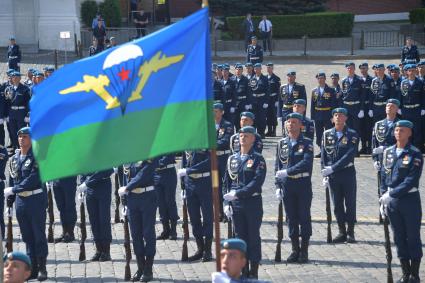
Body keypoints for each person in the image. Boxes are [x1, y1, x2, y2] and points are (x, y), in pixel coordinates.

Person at [379, 120, 423, 283]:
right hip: (392, 202)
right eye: (397, 130)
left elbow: (411, 180)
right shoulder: (388, 152)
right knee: (398, 237)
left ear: (409, 133)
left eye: (402, 130)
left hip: (409, 200)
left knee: (412, 237)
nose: (399, 133)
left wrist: (393, 194)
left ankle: (415, 274)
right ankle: (405, 273)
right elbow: (384, 176)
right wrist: (384, 196)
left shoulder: (415, 153)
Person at [5, 127, 48, 281]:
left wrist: (14, 189)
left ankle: (42, 267)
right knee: (27, 237)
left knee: (38, 235)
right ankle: (33, 268)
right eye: (20, 137)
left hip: (35, 200)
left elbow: (33, 179)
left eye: (25, 137)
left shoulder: (37, 157)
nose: (21, 139)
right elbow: (13, 178)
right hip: (21, 202)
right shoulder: (15, 158)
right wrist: (10, 201)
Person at [223, 126, 266, 279]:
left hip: (252, 202)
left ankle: (254, 269)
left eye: (246, 136)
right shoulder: (232, 158)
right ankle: (243, 268)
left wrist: (238, 193)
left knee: (253, 236)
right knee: (239, 237)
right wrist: (226, 202)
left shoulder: (257, 159)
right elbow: (226, 183)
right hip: (236, 205)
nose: (242, 138)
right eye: (241, 136)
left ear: (253, 139)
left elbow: (257, 182)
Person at [275, 112, 314, 263]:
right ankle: (294, 249)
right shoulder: (281, 143)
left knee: (304, 217)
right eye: (288, 122)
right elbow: (277, 166)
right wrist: (278, 185)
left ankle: (304, 251)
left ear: (301, 125)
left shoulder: (307, 143)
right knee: (291, 218)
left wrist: (288, 171)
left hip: (302, 184)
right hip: (287, 185)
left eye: (294, 122)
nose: (290, 124)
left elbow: (306, 162)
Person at [321, 108, 359, 244]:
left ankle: (351, 232)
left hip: (347, 173)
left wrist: (332, 168)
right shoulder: (326, 134)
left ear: (346, 118)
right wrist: (324, 173)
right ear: (332, 119)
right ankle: (341, 231)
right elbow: (324, 156)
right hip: (332, 175)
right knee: (337, 204)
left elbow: (349, 156)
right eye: (335, 115)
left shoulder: (352, 134)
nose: (338, 117)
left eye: (341, 115)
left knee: (350, 203)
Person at [118, 158, 159, 282]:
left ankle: (148, 269)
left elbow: (145, 173)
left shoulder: (151, 152)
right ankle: (140, 267)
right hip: (132, 199)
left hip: (147, 197)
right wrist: (124, 201)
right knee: (135, 235)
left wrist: (127, 187)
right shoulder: (130, 152)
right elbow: (124, 175)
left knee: (148, 233)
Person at [178, 149, 213, 262]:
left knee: (207, 217)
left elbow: (209, 162)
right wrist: (183, 185)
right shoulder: (188, 145)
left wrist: (189, 170)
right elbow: (184, 162)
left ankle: (207, 250)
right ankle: (200, 248)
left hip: (204, 182)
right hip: (190, 184)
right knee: (194, 218)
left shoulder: (205, 143)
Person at [78, 169, 114, 261]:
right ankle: (98, 249)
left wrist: (86, 183)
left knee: (104, 219)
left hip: (103, 185)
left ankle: (106, 251)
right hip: (90, 188)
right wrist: (82, 185)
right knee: (93, 220)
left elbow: (106, 170)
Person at [214, 103, 234, 220]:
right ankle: (218, 212)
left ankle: (227, 210)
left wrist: (211, 145)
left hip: (224, 158)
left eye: (216, 111)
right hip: (213, 159)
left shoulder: (227, 125)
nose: (214, 113)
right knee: (215, 186)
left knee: (226, 185)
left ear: (222, 112)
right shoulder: (208, 125)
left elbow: (226, 141)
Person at [371, 99, 400, 182]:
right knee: (381, 188)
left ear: (397, 110)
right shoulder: (378, 124)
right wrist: (375, 160)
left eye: (392, 106)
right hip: (381, 159)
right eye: (387, 106)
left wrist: (384, 148)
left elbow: (404, 145)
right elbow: (374, 144)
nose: (389, 108)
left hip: (396, 159)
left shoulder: (401, 125)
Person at [310, 72, 337, 157]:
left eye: (322, 78)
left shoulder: (331, 90)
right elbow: (312, 105)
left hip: (327, 114)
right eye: (319, 78)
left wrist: (333, 116)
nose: (320, 80)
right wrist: (312, 117)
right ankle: (322, 150)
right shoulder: (314, 91)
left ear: (325, 79)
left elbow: (333, 104)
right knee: (319, 134)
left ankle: (329, 151)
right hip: (318, 115)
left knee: (329, 133)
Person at [400, 64, 425, 151]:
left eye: (413, 70)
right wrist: (399, 108)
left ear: (416, 71)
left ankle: (417, 149)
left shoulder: (420, 82)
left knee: (417, 129)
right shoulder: (403, 82)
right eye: (410, 70)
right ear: (407, 72)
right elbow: (400, 96)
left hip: (416, 109)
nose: (411, 72)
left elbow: (423, 96)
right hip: (406, 109)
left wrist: (423, 108)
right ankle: (407, 148)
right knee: (407, 128)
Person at [154, 154, 179, 240]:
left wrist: (154, 163)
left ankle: (173, 230)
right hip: (156, 174)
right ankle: (165, 230)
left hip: (168, 173)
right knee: (161, 204)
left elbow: (169, 157)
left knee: (170, 202)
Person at [4, 71, 31, 151]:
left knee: (21, 132)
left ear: (20, 78)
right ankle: (16, 148)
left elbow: (28, 103)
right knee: (13, 131)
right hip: (12, 113)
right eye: (13, 77)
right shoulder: (9, 89)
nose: (15, 78)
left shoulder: (25, 89)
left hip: (21, 112)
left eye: (16, 77)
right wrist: (6, 115)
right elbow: (7, 103)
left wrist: (27, 115)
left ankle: (23, 149)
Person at [340, 62, 363, 146]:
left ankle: (355, 147)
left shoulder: (359, 80)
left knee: (356, 128)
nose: (350, 70)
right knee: (347, 128)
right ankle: (348, 146)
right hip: (346, 106)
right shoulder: (344, 80)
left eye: (351, 68)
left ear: (354, 69)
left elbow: (362, 96)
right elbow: (343, 94)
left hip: (356, 106)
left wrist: (361, 109)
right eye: (348, 68)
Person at [50, 176, 78, 243]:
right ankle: (64, 232)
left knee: (69, 206)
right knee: (61, 207)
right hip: (56, 181)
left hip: (69, 180)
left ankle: (70, 232)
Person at [249, 63, 269, 138]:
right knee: (253, 116)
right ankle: (253, 132)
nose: (257, 70)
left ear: (261, 69)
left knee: (262, 117)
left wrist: (266, 102)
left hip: (262, 99)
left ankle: (261, 132)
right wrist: (250, 101)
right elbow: (250, 91)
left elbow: (267, 91)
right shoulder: (251, 78)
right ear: (254, 70)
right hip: (254, 100)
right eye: (255, 69)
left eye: (258, 68)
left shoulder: (265, 78)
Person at [358, 63, 374, 154]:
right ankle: (363, 146)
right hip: (360, 108)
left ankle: (369, 147)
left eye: (364, 68)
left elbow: (372, 95)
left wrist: (371, 108)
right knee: (361, 128)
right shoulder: (358, 80)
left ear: (367, 69)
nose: (363, 70)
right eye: (361, 68)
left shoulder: (371, 80)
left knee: (369, 128)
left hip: (368, 107)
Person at [232, 64, 252, 131]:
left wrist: (248, 103)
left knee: (243, 118)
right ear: (235, 70)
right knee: (235, 118)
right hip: (235, 102)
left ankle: (244, 130)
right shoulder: (232, 79)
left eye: (240, 69)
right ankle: (238, 131)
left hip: (243, 102)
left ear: (242, 71)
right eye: (237, 69)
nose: (238, 71)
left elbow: (249, 92)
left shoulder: (245, 80)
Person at [265, 63, 280, 137]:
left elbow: (278, 90)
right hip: (267, 99)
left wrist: (277, 100)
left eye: (270, 68)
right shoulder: (264, 77)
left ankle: (274, 131)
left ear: (272, 68)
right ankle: (269, 130)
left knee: (273, 115)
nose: (268, 69)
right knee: (267, 115)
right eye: (267, 67)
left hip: (273, 99)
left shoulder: (276, 78)